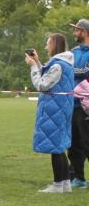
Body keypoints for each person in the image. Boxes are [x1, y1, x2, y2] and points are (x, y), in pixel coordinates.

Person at [27, 33, 75, 193]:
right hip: (61, 108)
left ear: (54, 44)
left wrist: (33, 66)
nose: (46, 47)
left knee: (56, 148)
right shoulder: (63, 63)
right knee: (59, 146)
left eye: (48, 43)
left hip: (54, 109)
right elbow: (48, 76)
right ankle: (65, 184)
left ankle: (57, 185)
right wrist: (38, 62)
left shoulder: (58, 65)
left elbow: (42, 84)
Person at [68, 19, 89, 188]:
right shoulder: (73, 52)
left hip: (85, 105)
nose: (74, 33)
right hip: (72, 103)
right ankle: (76, 176)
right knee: (75, 142)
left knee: (83, 141)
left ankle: (78, 177)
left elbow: (83, 73)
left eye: (76, 30)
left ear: (83, 31)